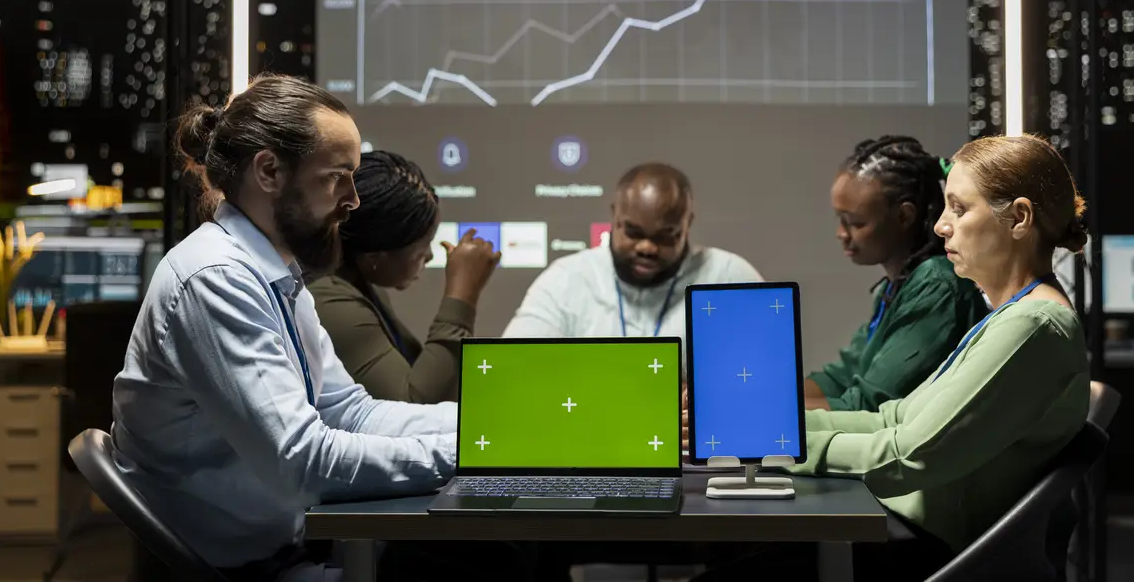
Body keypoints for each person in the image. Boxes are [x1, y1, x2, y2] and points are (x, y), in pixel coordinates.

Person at [692, 134, 1091, 581]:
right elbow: (894, 417)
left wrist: (780, 446)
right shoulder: (1014, 317)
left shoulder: (1032, 326)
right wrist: (768, 429)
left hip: (927, 551)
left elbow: (909, 456)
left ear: (1018, 218)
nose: (941, 226)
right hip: (909, 533)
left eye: (959, 209)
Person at [111, 75, 457, 582]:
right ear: (269, 171)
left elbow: (350, 412)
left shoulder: (275, 273)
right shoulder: (214, 279)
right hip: (243, 573)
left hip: (286, 552)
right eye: (337, 177)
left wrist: (487, 430)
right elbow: (304, 462)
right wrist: (470, 453)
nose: (353, 200)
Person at [804, 136, 989, 411]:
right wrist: (771, 397)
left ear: (904, 216)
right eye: (839, 219)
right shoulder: (894, 288)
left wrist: (776, 411)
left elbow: (870, 404)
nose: (841, 233)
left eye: (855, 222)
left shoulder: (937, 285)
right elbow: (841, 376)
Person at [308, 150, 501, 403]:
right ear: (375, 255)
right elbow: (414, 406)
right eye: (421, 249)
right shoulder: (329, 300)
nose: (429, 256)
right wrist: (462, 294)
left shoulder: (358, 283)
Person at [503, 162, 762, 343]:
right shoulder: (565, 280)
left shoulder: (729, 277)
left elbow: (769, 368)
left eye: (665, 236)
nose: (647, 248)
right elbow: (515, 367)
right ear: (614, 216)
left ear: (688, 224)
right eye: (633, 233)